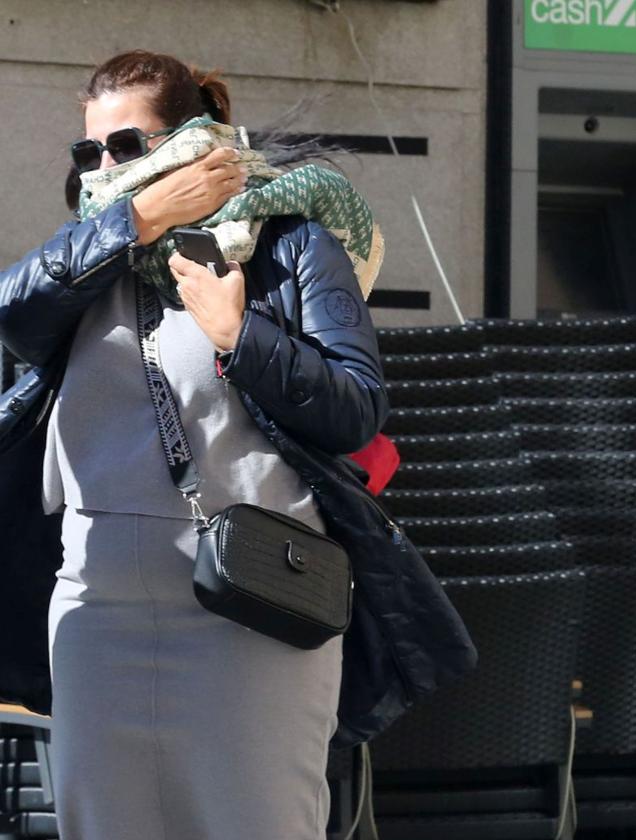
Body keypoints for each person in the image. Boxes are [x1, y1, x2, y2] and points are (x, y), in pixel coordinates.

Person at [0, 50, 474, 839]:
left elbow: (356, 406)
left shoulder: (289, 244)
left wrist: (240, 334)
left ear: (191, 138)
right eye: (91, 152)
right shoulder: (82, 264)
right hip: (96, 613)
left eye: (128, 146)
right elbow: (8, 312)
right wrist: (139, 219)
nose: (104, 168)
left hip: (250, 605)